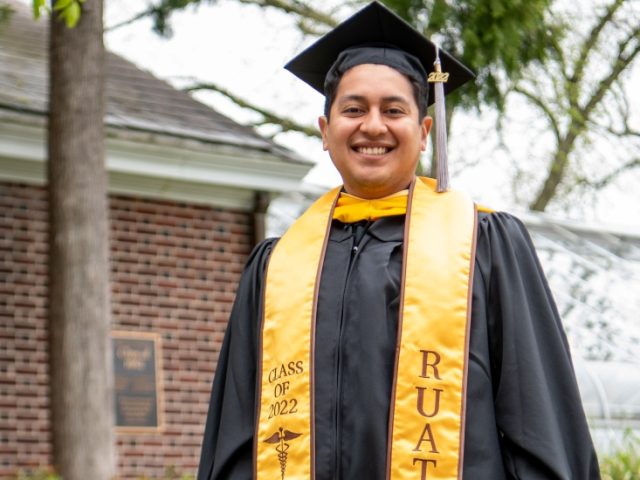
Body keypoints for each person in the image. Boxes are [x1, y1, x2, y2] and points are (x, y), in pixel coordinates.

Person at [197, 2, 600, 479]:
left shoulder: (484, 246)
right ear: (325, 132)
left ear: (424, 131)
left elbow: (539, 429)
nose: (372, 126)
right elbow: (238, 442)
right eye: (353, 109)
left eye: (393, 110)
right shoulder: (277, 265)